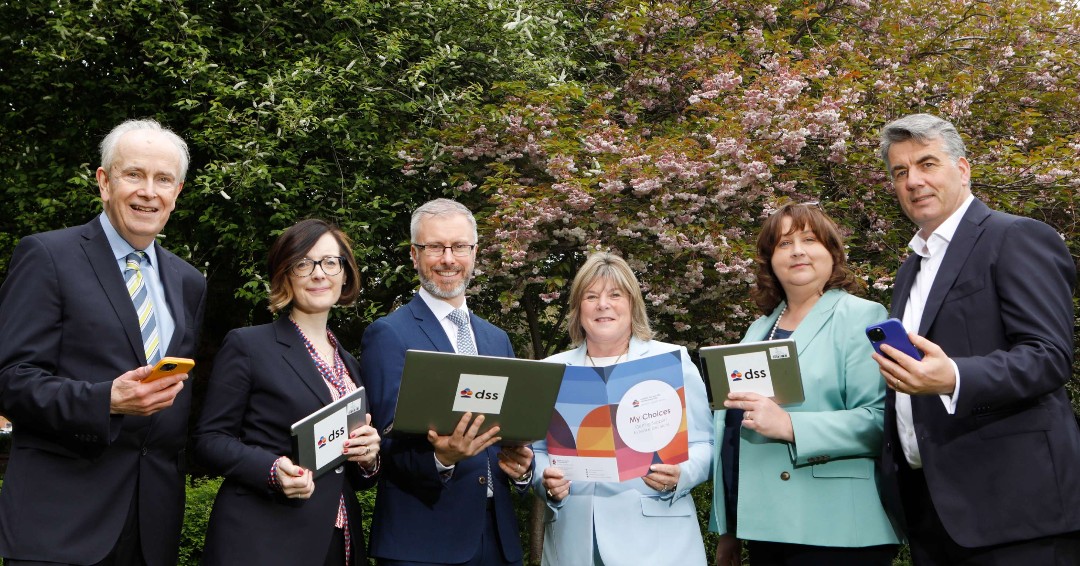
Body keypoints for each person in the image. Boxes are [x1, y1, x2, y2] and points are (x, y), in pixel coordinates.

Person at [874, 113, 1080, 564]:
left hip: (1016, 509)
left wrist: (953, 377)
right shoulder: (913, 265)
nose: (913, 181)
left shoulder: (1016, 236)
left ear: (963, 169)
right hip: (934, 510)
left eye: (927, 164)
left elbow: (1049, 357)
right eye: (900, 172)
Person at [0, 119, 207, 565]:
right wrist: (106, 400)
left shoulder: (189, 282)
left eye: (163, 179)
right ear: (104, 182)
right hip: (61, 525)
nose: (148, 191)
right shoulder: (47, 256)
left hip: (151, 526)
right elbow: (11, 380)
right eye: (133, 174)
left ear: (178, 193)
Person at [711, 203, 901, 565]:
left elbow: (881, 422)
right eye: (783, 243)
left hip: (839, 531)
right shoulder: (757, 330)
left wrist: (790, 425)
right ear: (770, 261)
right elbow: (734, 433)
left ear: (832, 252)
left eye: (809, 239)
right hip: (765, 529)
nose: (797, 250)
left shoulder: (862, 316)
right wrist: (729, 528)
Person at [193, 219, 381, 564]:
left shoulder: (351, 364)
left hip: (338, 543)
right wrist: (271, 468)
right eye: (303, 263)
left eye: (329, 262)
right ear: (285, 274)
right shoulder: (248, 345)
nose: (318, 273)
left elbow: (351, 475)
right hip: (264, 538)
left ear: (344, 273)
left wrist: (368, 459)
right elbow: (210, 439)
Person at [361, 198, 534, 566]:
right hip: (424, 542)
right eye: (434, 247)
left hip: (498, 540)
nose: (448, 259)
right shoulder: (388, 335)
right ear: (414, 254)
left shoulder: (496, 340)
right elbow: (384, 445)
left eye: (459, 246)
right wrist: (442, 457)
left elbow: (505, 430)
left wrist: (521, 466)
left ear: (474, 252)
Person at [534, 252, 714, 566]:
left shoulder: (671, 361)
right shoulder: (551, 370)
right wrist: (544, 478)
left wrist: (681, 474)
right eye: (591, 296)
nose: (603, 304)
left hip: (658, 544)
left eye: (615, 295)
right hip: (574, 545)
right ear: (578, 309)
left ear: (632, 304)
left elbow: (705, 444)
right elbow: (536, 451)